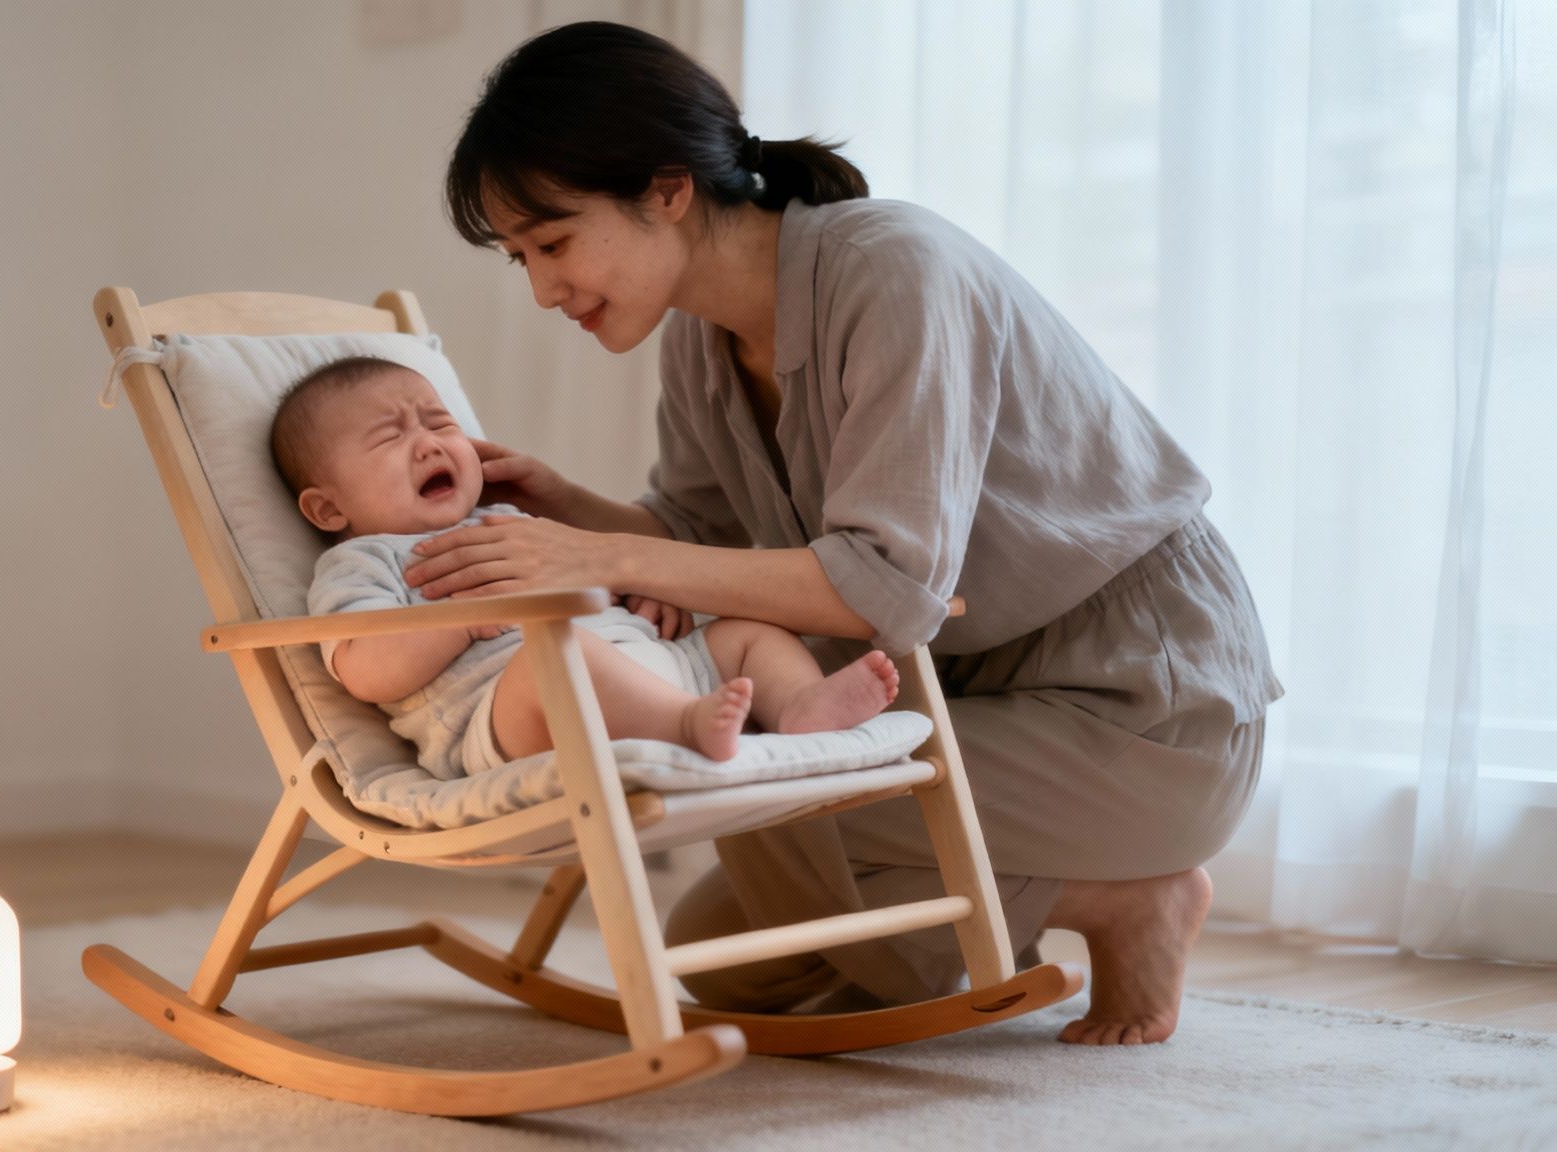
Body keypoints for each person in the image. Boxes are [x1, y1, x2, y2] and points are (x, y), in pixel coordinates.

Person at [408, 21, 1284, 1045]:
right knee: (740, 970)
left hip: (1138, 704)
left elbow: (885, 590)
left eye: (552, 243)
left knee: (757, 800)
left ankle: (1129, 900)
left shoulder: (891, 269)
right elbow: (697, 539)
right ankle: (1001, 916)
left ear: (666, 190)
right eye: (520, 258)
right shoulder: (700, 339)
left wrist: (600, 556)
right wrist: (566, 504)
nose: (542, 288)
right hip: (966, 696)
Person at [273, 353, 903, 779]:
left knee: (747, 633)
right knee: (557, 655)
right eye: (391, 437)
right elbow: (363, 669)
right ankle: (684, 725)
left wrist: (635, 594)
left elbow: (589, 575)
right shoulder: (360, 561)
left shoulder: (512, 523)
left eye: (440, 423)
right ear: (328, 508)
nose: (431, 442)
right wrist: (462, 622)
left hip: (653, 666)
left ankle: (796, 706)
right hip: (512, 717)